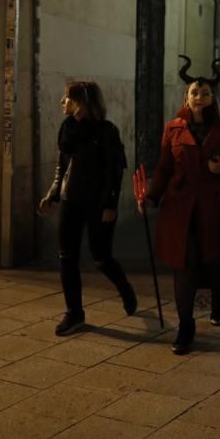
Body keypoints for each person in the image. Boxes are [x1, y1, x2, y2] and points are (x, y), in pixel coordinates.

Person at [138, 57, 220, 354]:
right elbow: (163, 169)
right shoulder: (173, 128)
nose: (200, 98)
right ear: (186, 96)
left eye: (206, 93)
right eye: (195, 93)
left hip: (215, 206)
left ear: (214, 98)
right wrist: (151, 196)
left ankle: (217, 301)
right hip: (181, 208)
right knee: (183, 265)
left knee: (213, 260)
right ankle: (186, 326)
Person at [39, 81, 136, 336]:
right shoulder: (67, 129)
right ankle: (74, 313)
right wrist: (53, 194)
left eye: (67, 97)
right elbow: (62, 166)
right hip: (71, 199)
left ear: (81, 101)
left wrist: (110, 204)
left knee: (101, 257)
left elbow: (114, 172)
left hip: (97, 202)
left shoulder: (106, 131)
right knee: (67, 256)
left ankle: (125, 288)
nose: (62, 101)